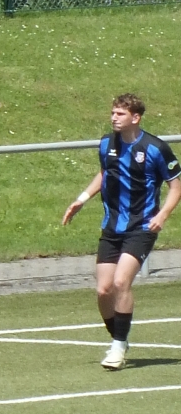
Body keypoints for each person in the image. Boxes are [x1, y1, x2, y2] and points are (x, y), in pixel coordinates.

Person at [62, 93, 180, 370]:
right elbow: (105, 173)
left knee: (120, 282)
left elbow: (176, 186)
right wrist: (82, 199)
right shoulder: (107, 143)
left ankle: (117, 346)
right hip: (112, 226)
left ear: (135, 118)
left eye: (120, 114)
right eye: (113, 113)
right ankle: (119, 339)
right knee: (103, 290)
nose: (113, 118)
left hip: (141, 227)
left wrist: (162, 214)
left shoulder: (155, 148)